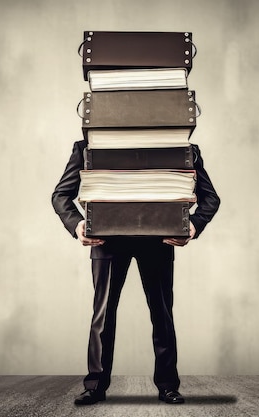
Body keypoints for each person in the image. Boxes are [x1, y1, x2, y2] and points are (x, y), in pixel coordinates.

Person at [51, 139, 220, 405]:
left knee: (162, 313)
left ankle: (168, 385)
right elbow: (60, 195)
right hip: (106, 240)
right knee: (102, 315)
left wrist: (194, 225)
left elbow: (211, 198)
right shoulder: (86, 147)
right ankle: (94, 386)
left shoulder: (178, 147)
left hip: (157, 238)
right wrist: (77, 225)